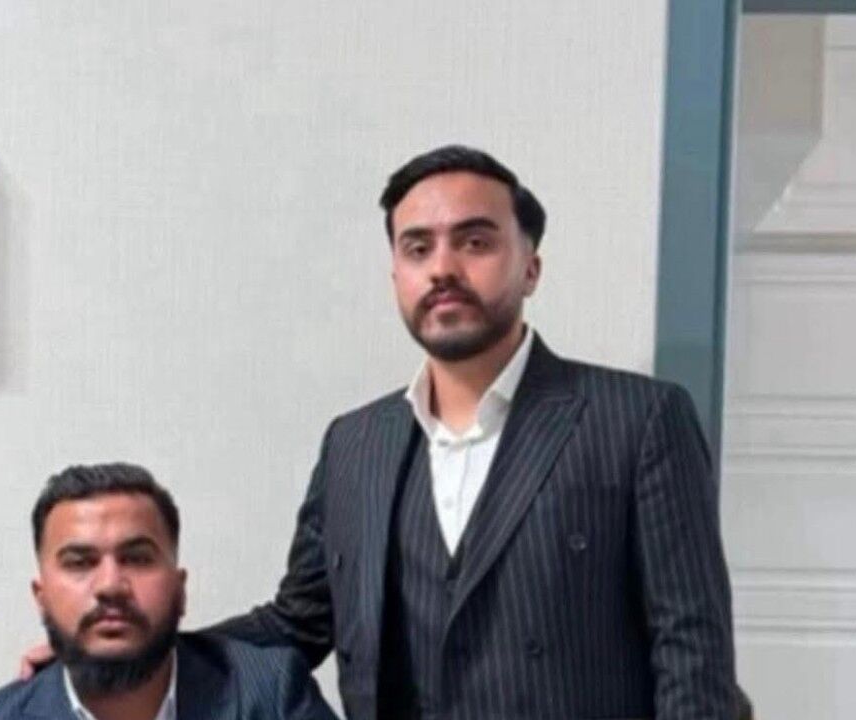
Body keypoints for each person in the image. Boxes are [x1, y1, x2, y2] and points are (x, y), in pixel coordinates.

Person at [210, 145, 739, 719]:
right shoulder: (353, 445)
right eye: (418, 248)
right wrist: (154, 645)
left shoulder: (639, 420)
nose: (442, 268)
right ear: (396, 275)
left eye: (475, 242)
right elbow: (299, 623)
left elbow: (692, 653)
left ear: (530, 267)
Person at [0, 463, 337, 720]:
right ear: (41, 598)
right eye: (80, 562)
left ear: (180, 591)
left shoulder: (272, 697)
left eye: (137, 558)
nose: (110, 585)